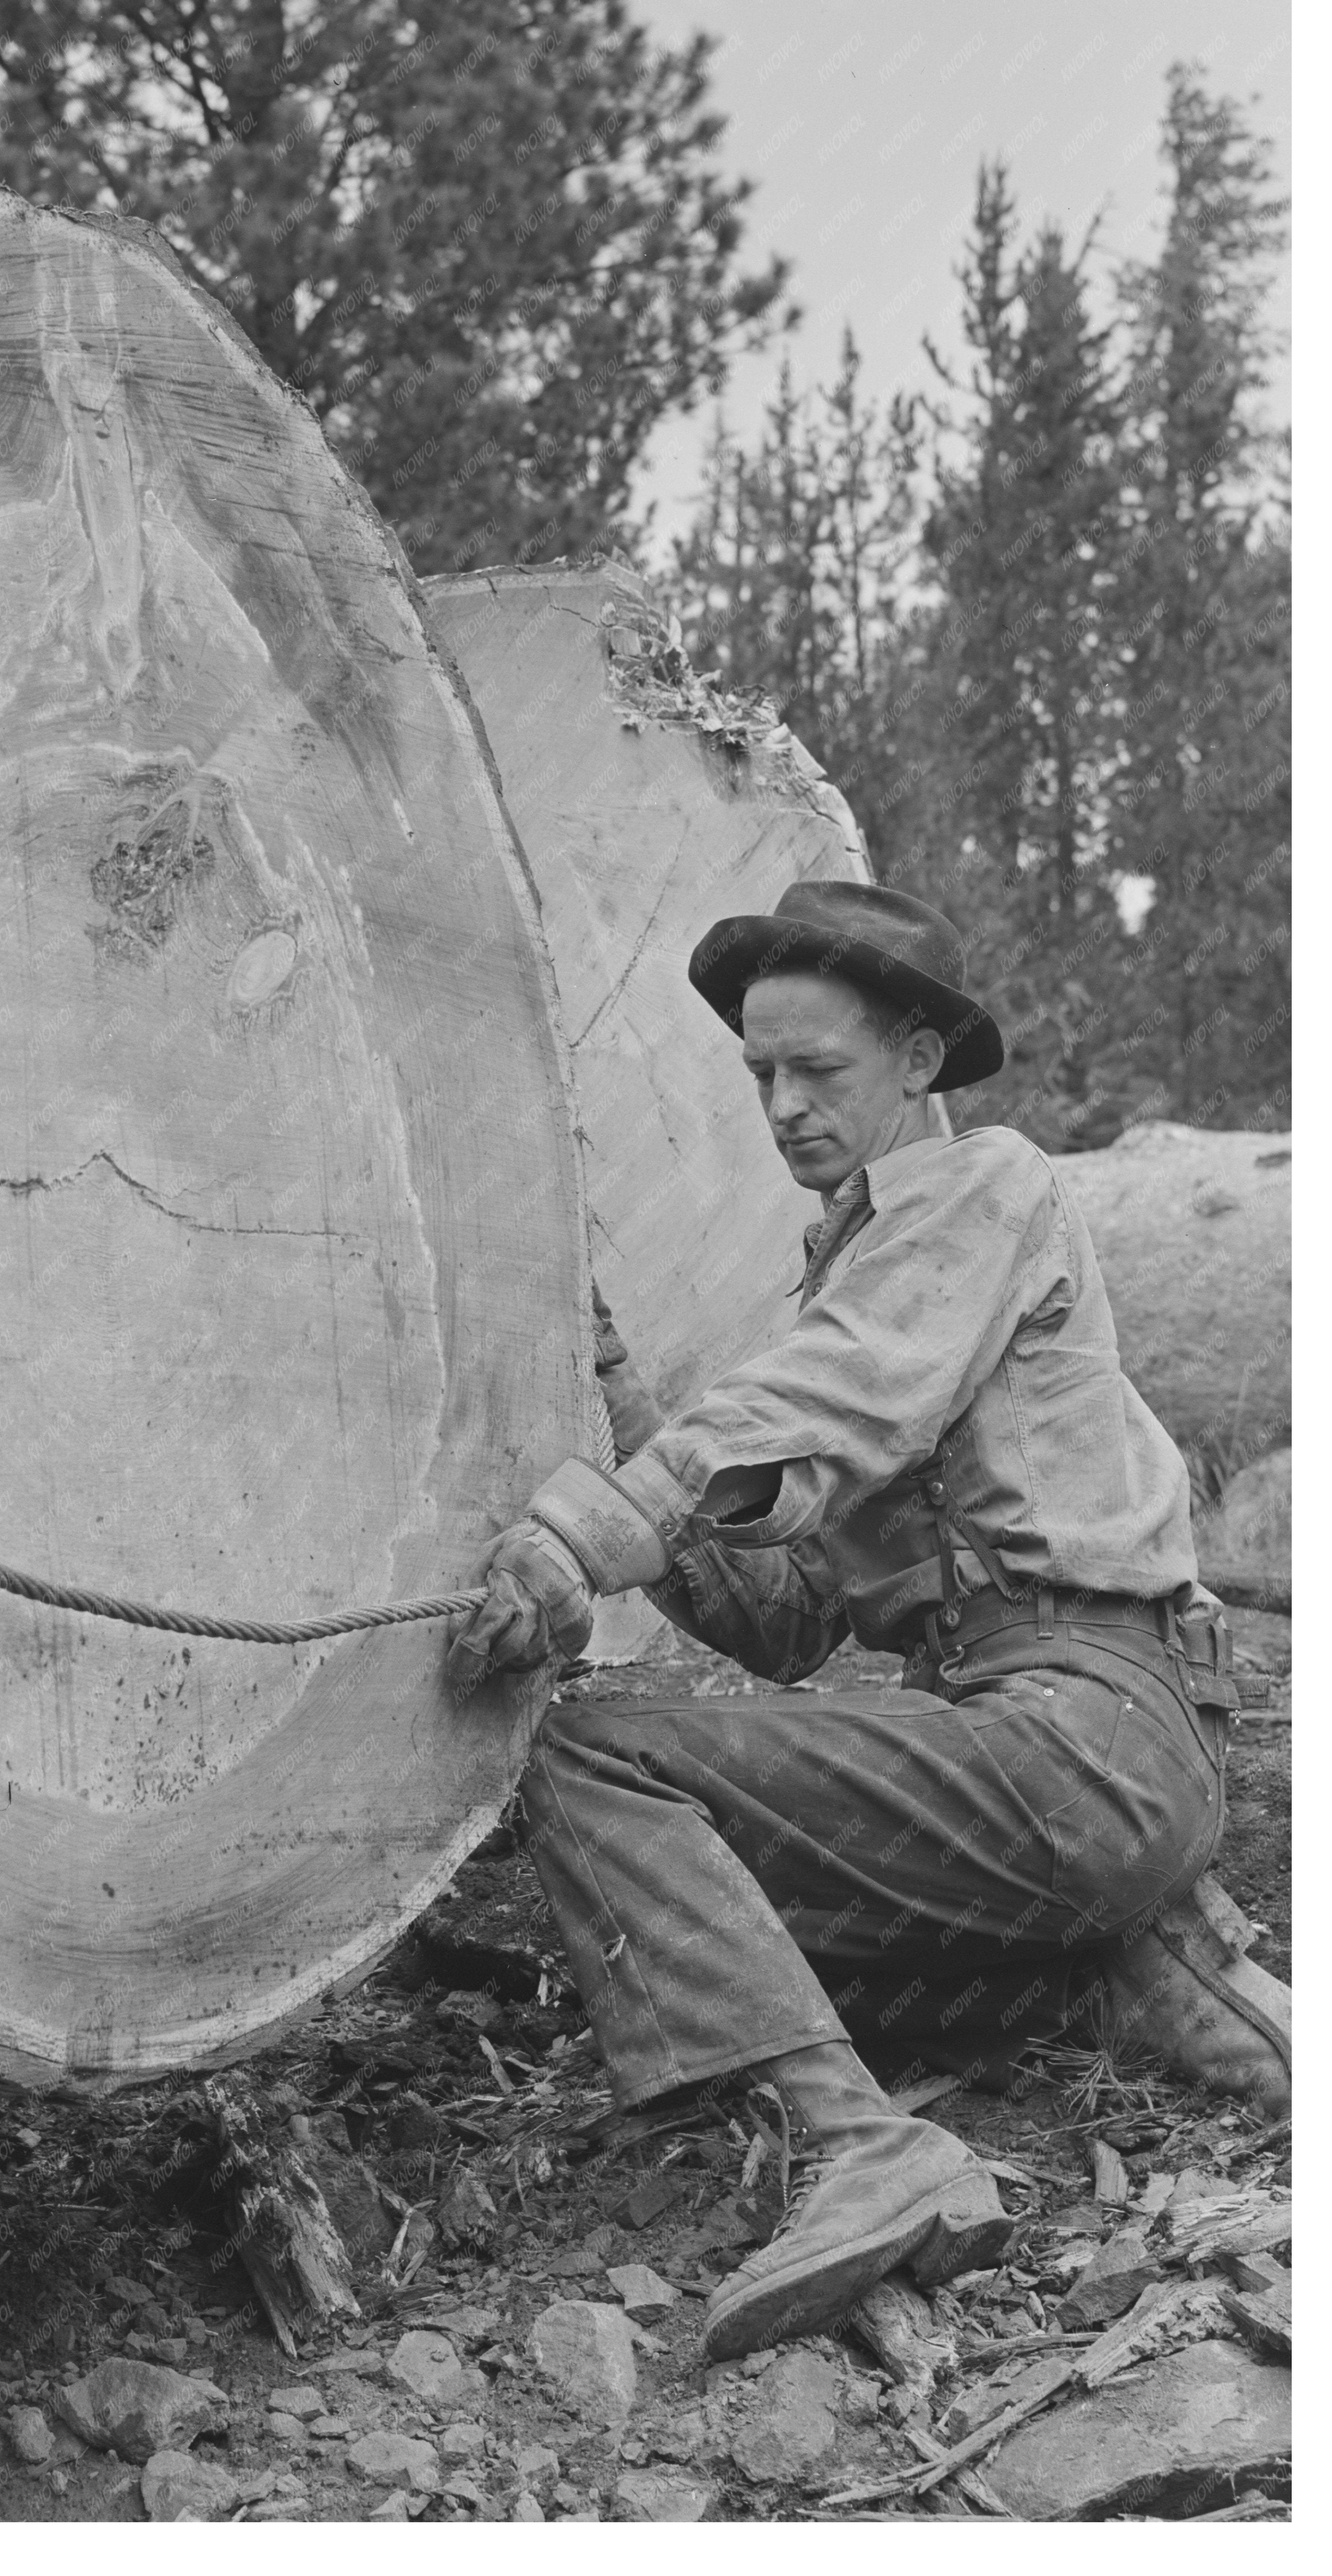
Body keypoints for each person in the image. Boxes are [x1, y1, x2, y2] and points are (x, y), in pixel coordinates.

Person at [450, 881, 1291, 2362]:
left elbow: (830, 1395)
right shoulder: (859, 1277)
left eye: (816, 1070)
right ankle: (1105, 1965)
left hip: (1082, 1725)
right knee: (700, 1903)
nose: (780, 1106)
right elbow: (777, 1623)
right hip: (1030, 1745)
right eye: (760, 1074)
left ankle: (864, 2147)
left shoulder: (984, 1193)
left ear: (917, 1061)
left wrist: (588, 1530)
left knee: (593, 1765)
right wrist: (620, 1393)